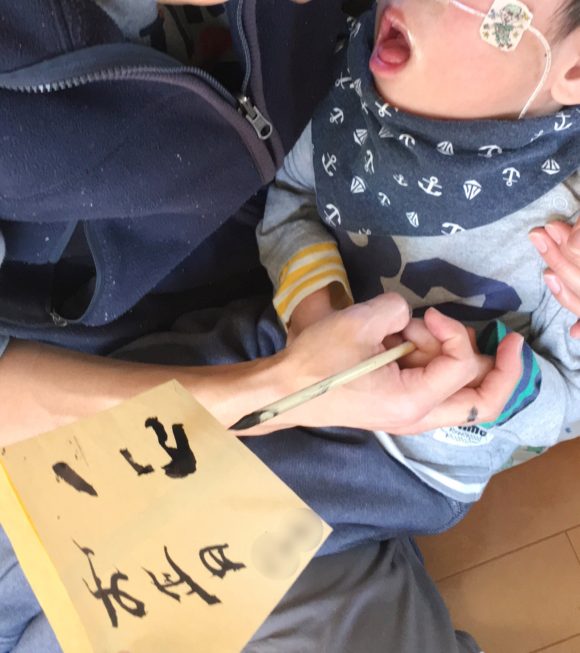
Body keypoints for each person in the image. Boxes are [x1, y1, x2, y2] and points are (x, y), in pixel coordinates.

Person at [255, 0, 580, 511]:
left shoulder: (568, 234)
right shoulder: (348, 95)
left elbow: (568, 404)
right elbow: (293, 198)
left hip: (412, 464)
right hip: (287, 347)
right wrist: (317, 310)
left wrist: (486, 380)